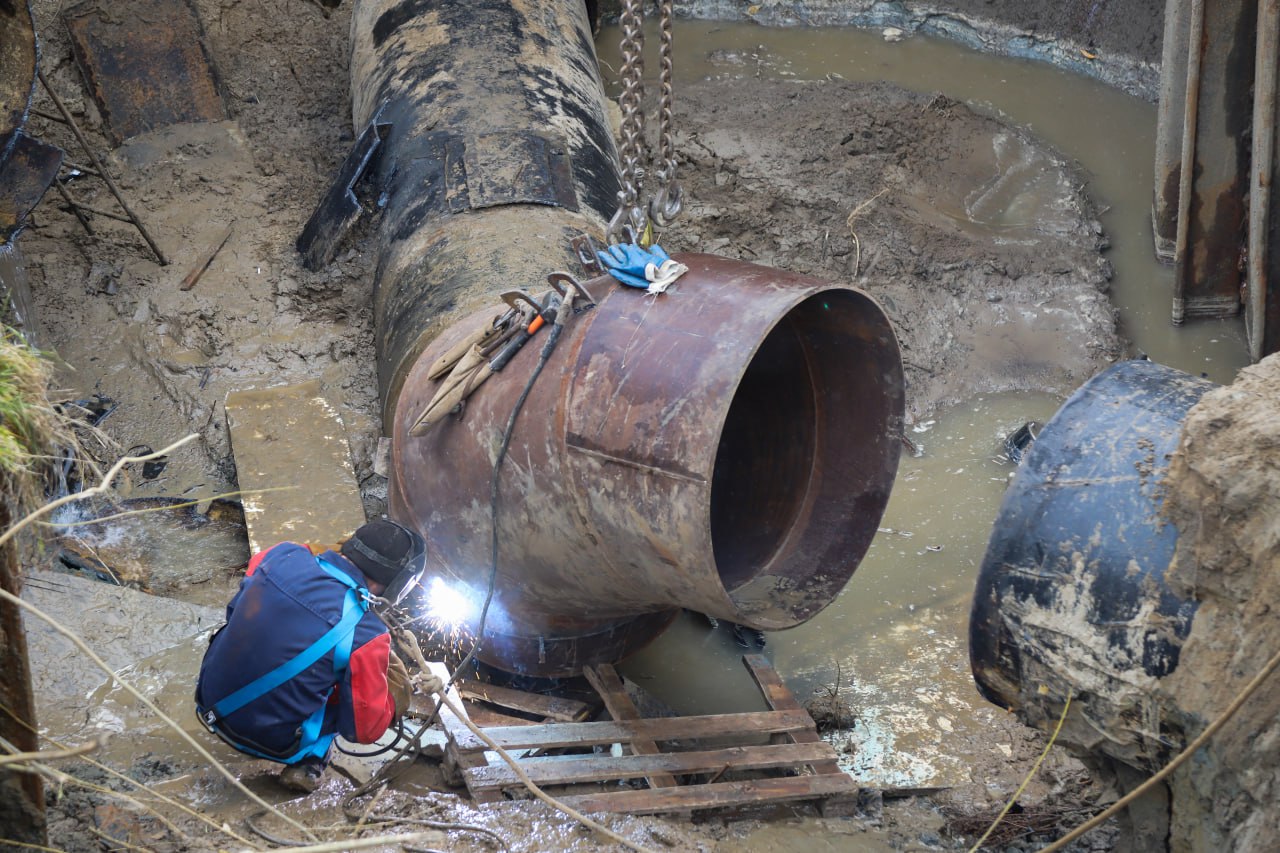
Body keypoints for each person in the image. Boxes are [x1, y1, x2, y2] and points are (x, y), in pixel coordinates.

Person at [195, 519, 423, 793]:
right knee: (348, 692)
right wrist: (392, 697)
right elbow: (364, 732)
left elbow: (239, 609)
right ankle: (309, 762)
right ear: (401, 584)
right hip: (268, 740)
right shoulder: (366, 634)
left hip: (209, 702)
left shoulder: (282, 553)